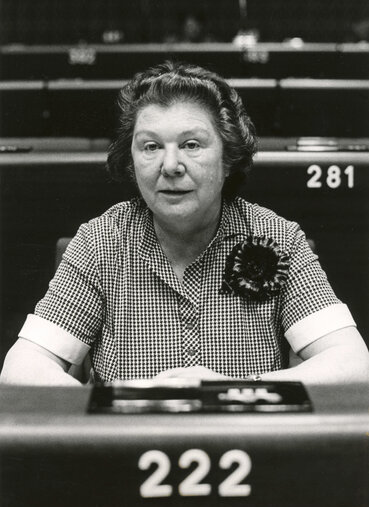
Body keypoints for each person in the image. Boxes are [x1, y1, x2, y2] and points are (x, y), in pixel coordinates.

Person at [1, 61, 368, 386]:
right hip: (123, 453)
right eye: (150, 146)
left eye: (192, 144)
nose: (171, 165)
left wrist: (235, 390)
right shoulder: (100, 241)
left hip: (251, 449)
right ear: (131, 161)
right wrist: (117, 408)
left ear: (228, 158)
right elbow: (22, 368)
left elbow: (354, 364)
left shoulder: (277, 237)